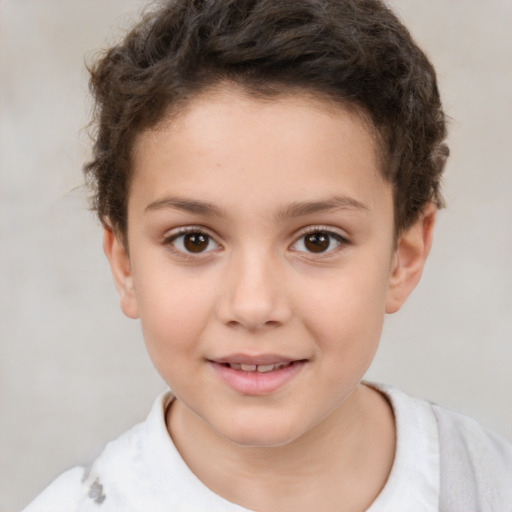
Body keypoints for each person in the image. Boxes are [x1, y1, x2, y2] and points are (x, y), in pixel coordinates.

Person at [22, 0, 512, 510]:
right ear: (125, 265)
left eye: (317, 240)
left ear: (403, 257)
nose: (253, 306)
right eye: (194, 240)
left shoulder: (491, 488)